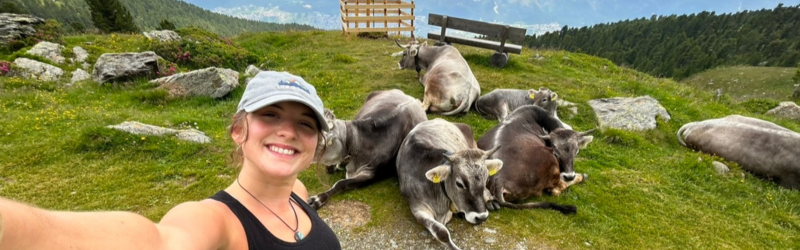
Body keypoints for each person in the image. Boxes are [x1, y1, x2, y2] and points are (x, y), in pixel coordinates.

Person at [0, 71, 342, 250]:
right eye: (270, 115)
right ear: (239, 130)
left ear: (315, 143)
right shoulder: (216, 221)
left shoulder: (297, 192)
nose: (288, 131)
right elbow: (161, 241)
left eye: (305, 123)